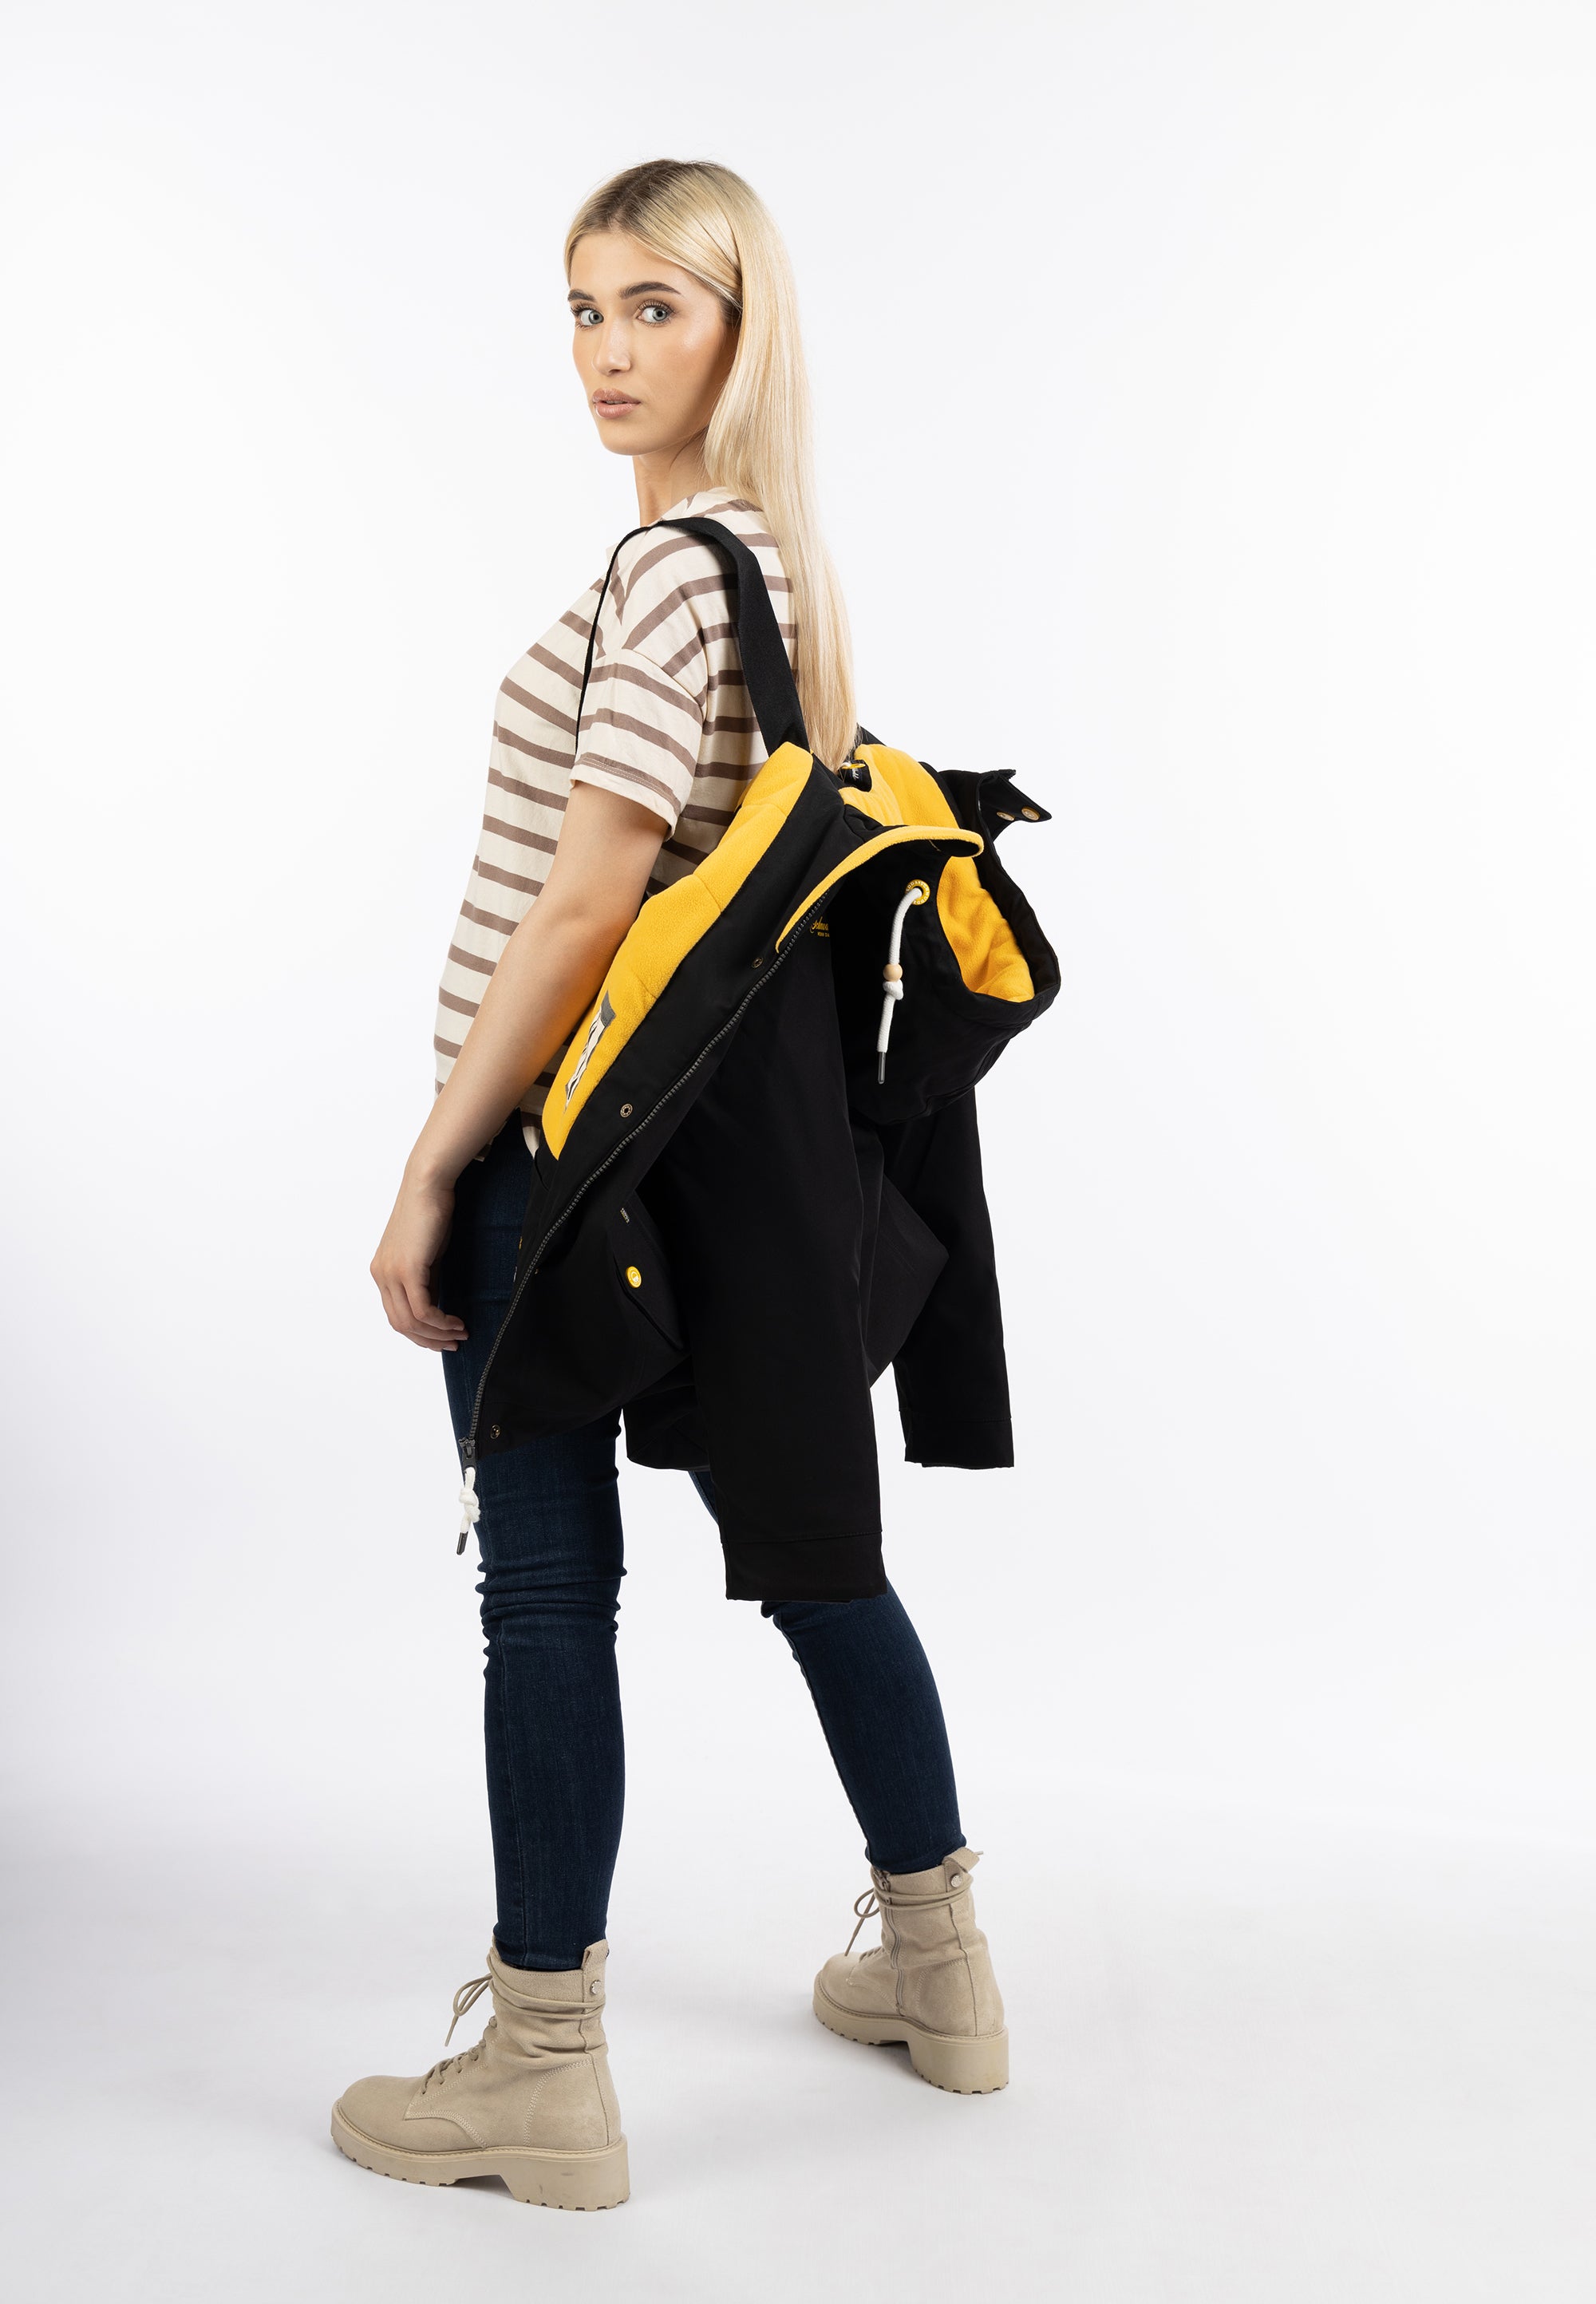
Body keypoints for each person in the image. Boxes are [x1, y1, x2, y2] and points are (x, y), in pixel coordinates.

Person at [331, 160, 1007, 2215]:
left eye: (656, 308)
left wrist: (432, 1163)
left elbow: (587, 897)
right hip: (716, 1173)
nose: (608, 354)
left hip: (558, 1150)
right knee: (816, 1552)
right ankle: (940, 1969)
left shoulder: (663, 576)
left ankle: (541, 2068)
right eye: (583, 308)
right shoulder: (786, 580)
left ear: (741, 327)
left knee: (546, 1589)